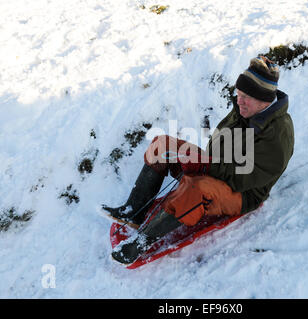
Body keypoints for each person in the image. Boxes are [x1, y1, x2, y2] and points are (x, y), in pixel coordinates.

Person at [102, 55, 295, 264]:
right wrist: (198, 159)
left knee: (195, 187)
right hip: (215, 164)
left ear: (264, 100)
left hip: (242, 191)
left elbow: (244, 176)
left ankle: (141, 242)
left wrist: (204, 165)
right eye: (238, 94)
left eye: (245, 97)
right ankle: (134, 210)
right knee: (162, 145)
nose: (239, 101)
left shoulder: (278, 135)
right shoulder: (247, 107)